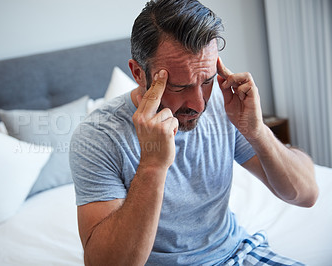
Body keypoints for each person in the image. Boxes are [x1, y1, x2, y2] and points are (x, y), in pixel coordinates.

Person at [69, 0, 319, 265]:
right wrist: (153, 166)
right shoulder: (97, 136)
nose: (200, 104)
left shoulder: (225, 103)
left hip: (236, 253)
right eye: (179, 87)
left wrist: (256, 130)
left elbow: (305, 195)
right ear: (138, 73)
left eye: (207, 81)